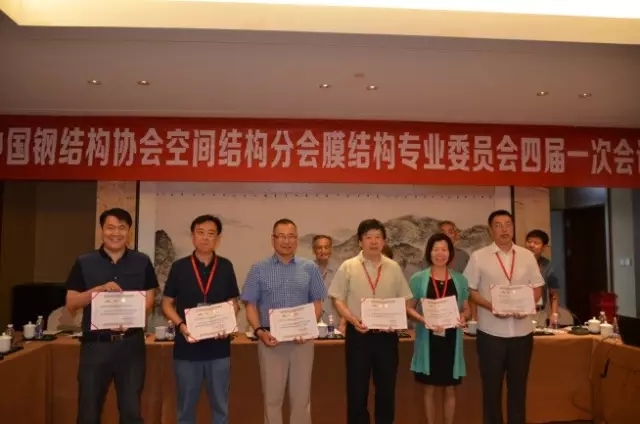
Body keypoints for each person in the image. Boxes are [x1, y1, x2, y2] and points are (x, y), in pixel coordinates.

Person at [65, 208, 158, 424]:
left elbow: (149, 299)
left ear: (129, 232)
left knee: (131, 411)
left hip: (131, 345)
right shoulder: (84, 261)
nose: (116, 233)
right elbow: (71, 303)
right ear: (102, 230)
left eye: (122, 228)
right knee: (88, 410)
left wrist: (129, 319)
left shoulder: (142, 261)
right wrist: (97, 291)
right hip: (96, 346)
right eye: (110, 228)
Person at [241, 218, 326, 424]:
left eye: (291, 236)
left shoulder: (310, 268)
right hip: (270, 340)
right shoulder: (258, 269)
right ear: (273, 239)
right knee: (272, 399)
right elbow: (250, 305)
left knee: (301, 398)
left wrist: (307, 330)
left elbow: (317, 303)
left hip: (302, 341)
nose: (286, 241)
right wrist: (259, 332)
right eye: (281, 236)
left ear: (297, 240)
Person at [329, 219, 413, 424]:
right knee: (357, 391)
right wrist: (352, 319)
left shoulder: (393, 267)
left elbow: (406, 299)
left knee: (386, 391)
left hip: (387, 338)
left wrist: (396, 317)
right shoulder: (348, 267)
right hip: (359, 336)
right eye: (368, 237)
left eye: (378, 237)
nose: (373, 241)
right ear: (360, 241)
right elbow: (337, 299)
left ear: (384, 241)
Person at [463, 210, 544, 424]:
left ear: (514, 228)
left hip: (522, 333)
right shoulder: (479, 257)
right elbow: (470, 290)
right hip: (491, 334)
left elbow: (537, 288)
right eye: (498, 225)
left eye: (508, 224)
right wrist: (492, 306)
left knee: (518, 389)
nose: (504, 229)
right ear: (491, 230)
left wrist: (527, 306)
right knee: (491, 390)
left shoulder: (527, 256)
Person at [161, 215, 239, 424]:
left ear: (218, 238)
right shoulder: (179, 267)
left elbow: (233, 302)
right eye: (200, 233)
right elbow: (166, 304)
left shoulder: (225, 266)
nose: (205, 238)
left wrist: (227, 324)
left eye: (211, 234)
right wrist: (180, 325)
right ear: (193, 236)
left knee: (220, 408)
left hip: (219, 349)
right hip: (187, 349)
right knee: (185, 408)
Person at [407, 233, 470, 424]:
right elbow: (408, 307)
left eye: (444, 249)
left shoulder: (460, 280)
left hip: (452, 339)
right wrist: (422, 319)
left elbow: (466, 308)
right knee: (429, 388)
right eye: (436, 249)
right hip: (428, 339)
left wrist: (463, 317)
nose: (440, 254)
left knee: (450, 388)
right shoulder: (418, 278)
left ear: (450, 253)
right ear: (429, 252)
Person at [524, 229, 561, 327]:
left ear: (544, 247)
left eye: (536, 243)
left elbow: (554, 293)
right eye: (529, 241)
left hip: (539, 312)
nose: (531, 245)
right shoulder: (516, 262)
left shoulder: (548, 266)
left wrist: (554, 314)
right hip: (519, 312)